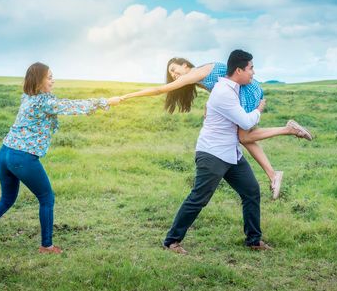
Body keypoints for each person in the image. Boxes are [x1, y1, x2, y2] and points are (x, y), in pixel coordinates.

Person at [0, 62, 121, 254]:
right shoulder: (44, 101)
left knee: (6, 199)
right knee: (46, 197)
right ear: (38, 82)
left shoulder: (27, 97)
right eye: (49, 77)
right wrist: (104, 102)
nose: (53, 80)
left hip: (5, 153)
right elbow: (71, 106)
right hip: (21, 157)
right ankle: (47, 246)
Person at [120, 57, 312, 199]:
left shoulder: (196, 73)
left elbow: (159, 90)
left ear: (185, 65)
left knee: (245, 137)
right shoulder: (199, 77)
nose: (173, 74)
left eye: (174, 69)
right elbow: (218, 88)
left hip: (245, 91)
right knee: (246, 137)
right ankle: (273, 173)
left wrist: (126, 97)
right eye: (170, 73)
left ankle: (289, 130)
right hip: (247, 90)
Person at [163, 49, 273, 254]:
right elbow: (246, 121)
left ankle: (254, 240)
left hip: (231, 153)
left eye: (175, 70)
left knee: (251, 191)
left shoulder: (226, 87)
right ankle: (171, 241)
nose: (253, 73)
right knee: (199, 198)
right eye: (251, 69)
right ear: (238, 70)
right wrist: (259, 109)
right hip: (213, 153)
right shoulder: (223, 90)